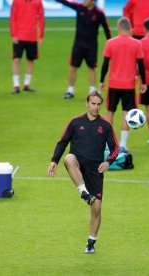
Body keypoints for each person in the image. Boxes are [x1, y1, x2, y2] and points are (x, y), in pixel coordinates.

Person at [47, 91, 119, 254]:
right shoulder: (75, 122)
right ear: (87, 104)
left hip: (95, 170)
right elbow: (63, 142)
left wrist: (108, 162)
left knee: (96, 209)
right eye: (93, 103)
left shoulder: (106, 126)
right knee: (69, 158)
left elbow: (115, 148)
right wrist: (54, 161)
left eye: (99, 104)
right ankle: (84, 192)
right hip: (78, 165)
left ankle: (91, 242)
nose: (96, 107)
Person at [99, 17, 146, 153]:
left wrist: (102, 80)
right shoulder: (137, 43)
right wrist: (144, 82)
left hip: (113, 83)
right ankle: (123, 145)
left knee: (110, 113)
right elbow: (141, 65)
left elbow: (105, 64)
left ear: (118, 28)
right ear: (130, 28)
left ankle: (108, 145)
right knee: (127, 114)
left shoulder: (110, 43)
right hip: (129, 85)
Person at [55, 0, 111, 99]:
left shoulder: (99, 13)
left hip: (92, 46)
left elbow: (106, 29)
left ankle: (92, 91)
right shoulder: (79, 8)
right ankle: (70, 91)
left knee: (92, 68)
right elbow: (66, 2)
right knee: (73, 67)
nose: (84, 1)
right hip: (78, 45)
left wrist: (111, 45)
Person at [10, 0, 45, 94]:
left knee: (30, 59)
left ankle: (26, 85)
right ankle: (16, 85)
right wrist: (13, 34)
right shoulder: (16, 2)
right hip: (19, 35)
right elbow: (13, 17)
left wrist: (41, 35)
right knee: (16, 59)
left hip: (32, 36)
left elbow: (41, 18)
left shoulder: (38, 2)